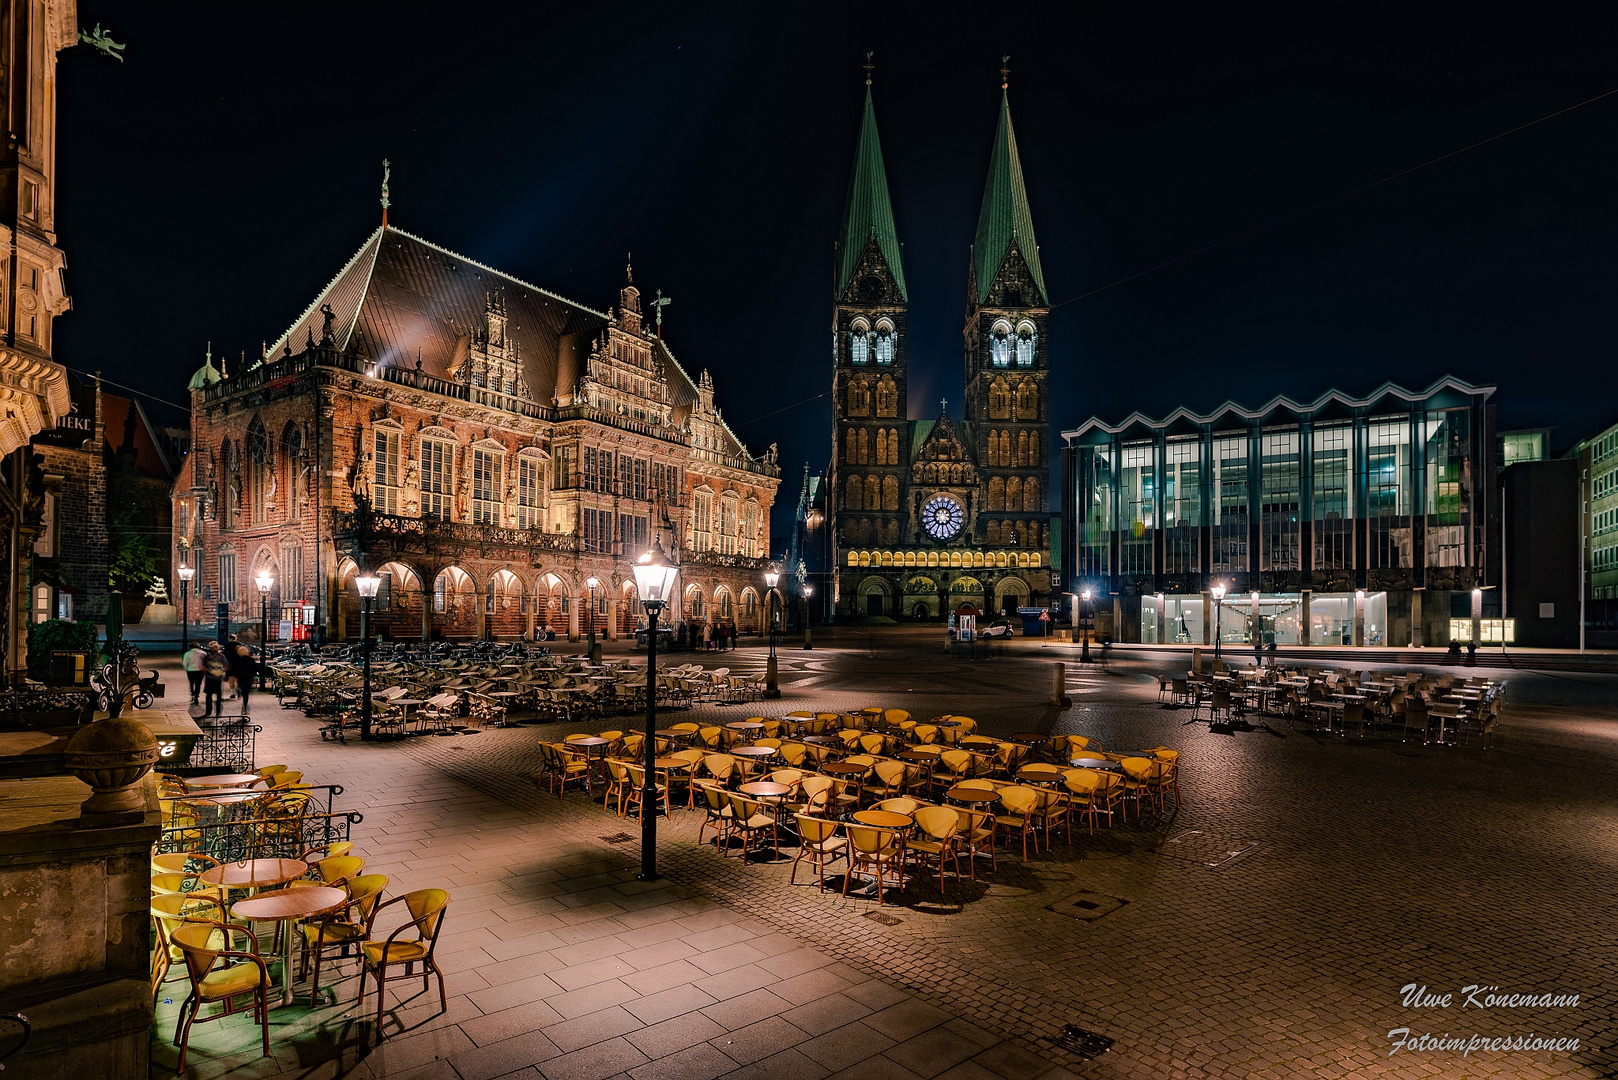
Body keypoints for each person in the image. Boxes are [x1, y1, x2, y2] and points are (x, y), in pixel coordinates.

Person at [227, 634, 256, 711]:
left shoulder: (227, 646)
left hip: (232, 666)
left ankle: (233, 692)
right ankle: (245, 703)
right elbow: (255, 668)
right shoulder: (241, 646)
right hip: (248, 677)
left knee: (231, 680)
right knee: (246, 691)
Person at [201, 642, 228, 717]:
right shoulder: (221, 656)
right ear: (218, 648)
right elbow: (225, 666)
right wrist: (222, 672)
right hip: (218, 678)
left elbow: (203, 667)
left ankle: (208, 712)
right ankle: (218, 712)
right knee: (219, 695)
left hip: (209, 677)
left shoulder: (207, 656)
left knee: (209, 695)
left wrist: (207, 672)